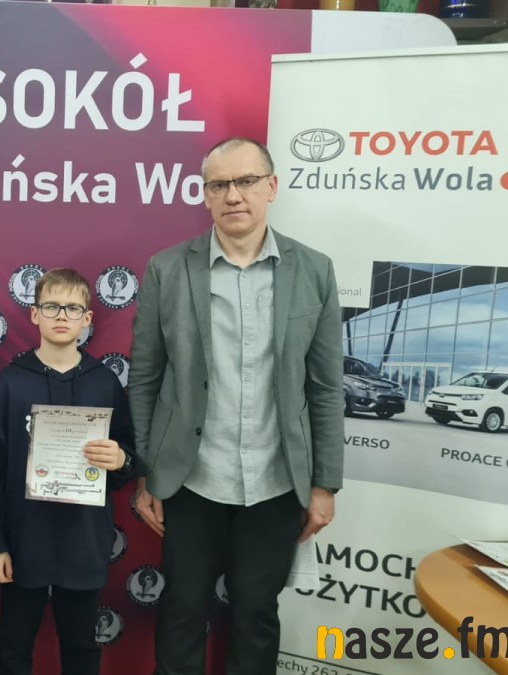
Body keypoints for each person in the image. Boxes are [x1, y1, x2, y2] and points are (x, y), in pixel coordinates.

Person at [128, 137, 344, 675]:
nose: (233, 195)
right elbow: (146, 377)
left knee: (255, 614)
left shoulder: (314, 270)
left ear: (272, 187)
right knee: (181, 611)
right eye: (219, 185)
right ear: (205, 195)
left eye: (247, 181)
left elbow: (325, 386)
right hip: (191, 480)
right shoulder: (167, 269)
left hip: (276, 481)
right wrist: (147, 473)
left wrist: (324, 484)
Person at [0, 268, 138, 675]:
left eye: (73, 308)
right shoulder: (11, 381)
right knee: (13, 648)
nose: (62, 315)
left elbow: (128, 457)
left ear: (87, 318)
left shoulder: (104, 382)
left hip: (83, 539)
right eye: (51, 307)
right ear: (34, 314)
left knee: (82, 648)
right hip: (22, 539)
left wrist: (121, 461)